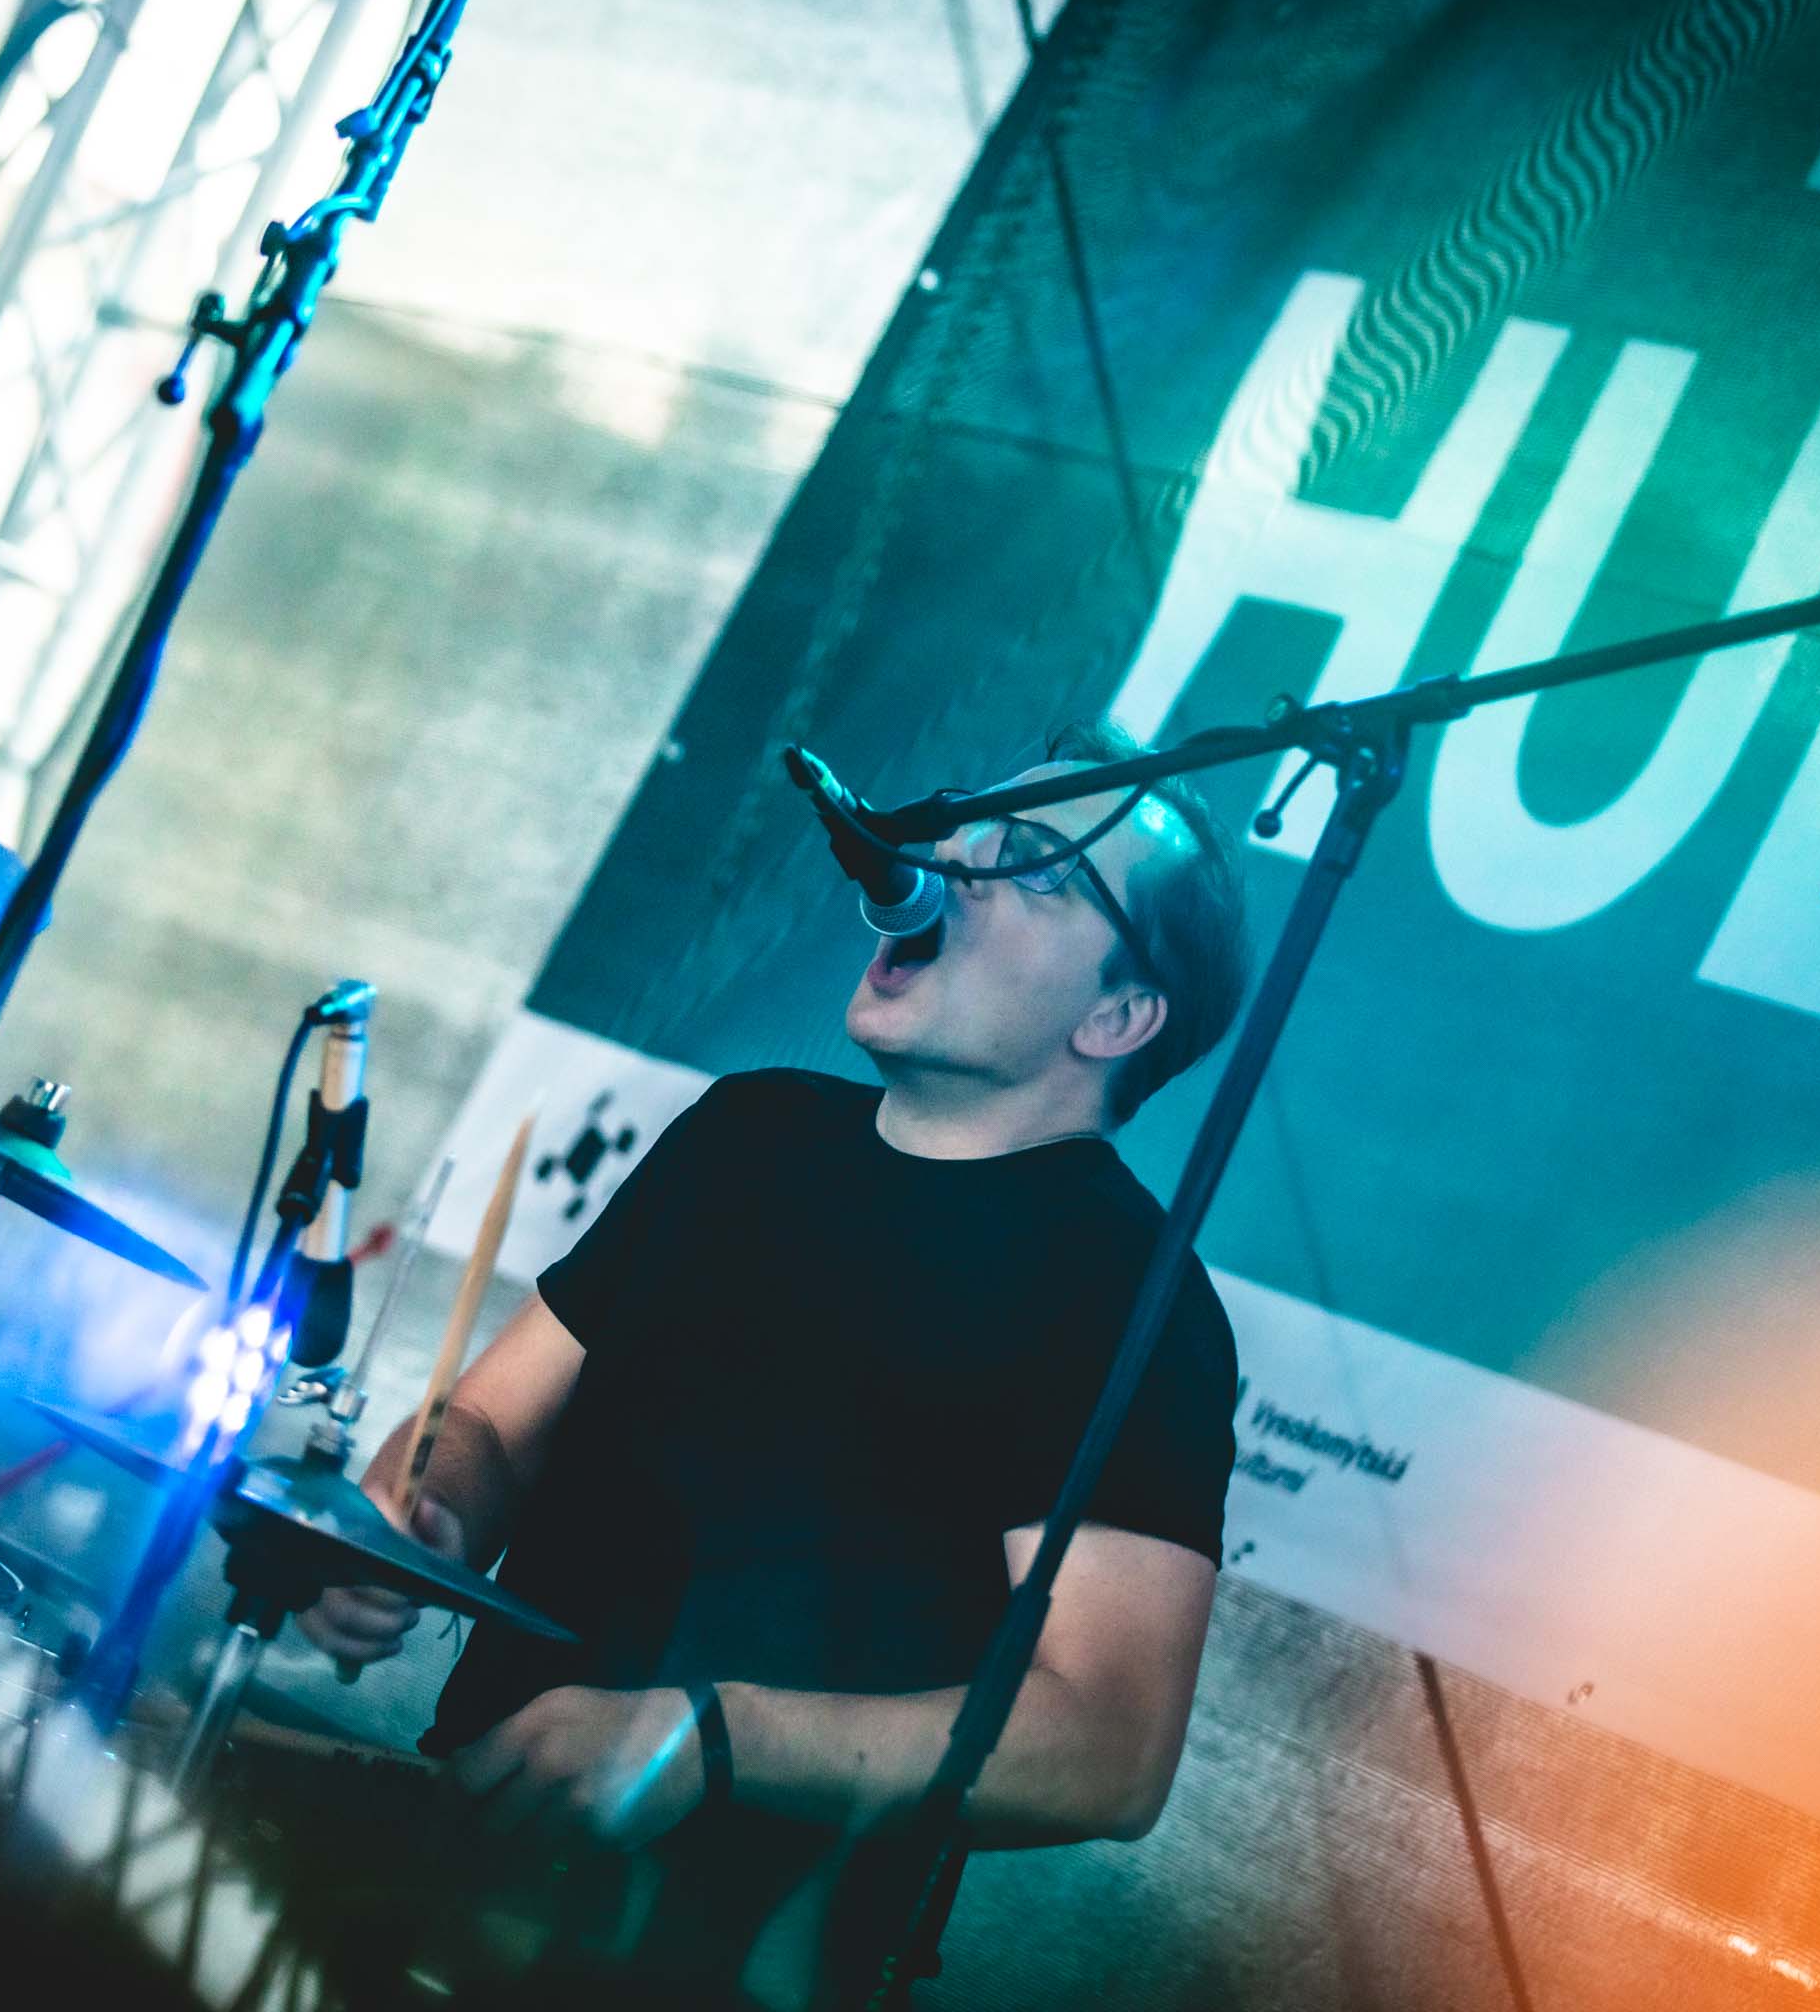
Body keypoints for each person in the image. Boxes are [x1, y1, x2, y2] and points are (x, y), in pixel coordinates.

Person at [296, 723, 1254, 2007]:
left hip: (734, 1974)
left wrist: (703, 1737)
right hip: (464, 1864)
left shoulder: (1134, 1301)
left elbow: (1108, 1750)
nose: (949, 864)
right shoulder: (744, 1135)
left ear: (1120, 1015)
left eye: (1028, 863)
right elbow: (489, 1424)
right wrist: (417, 1518)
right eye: (960, 830)